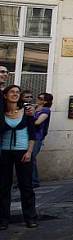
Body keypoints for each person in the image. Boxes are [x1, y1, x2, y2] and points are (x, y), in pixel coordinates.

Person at [0, 85, 38, 229]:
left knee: (26, 186)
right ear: (5, 95)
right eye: (12, 92)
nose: (15, 94)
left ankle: (30, 217)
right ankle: (3, 219)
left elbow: (32, 135)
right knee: (4, 186)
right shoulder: (1, 113)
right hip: (5, 152)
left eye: (17, 92)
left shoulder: (27, 112)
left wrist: (29, 152)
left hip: (23, 151)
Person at [30, 92, 53, 187]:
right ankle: (26, 180)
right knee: (28, 159)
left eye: (40, 98)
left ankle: (34, 181)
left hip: (37, 137)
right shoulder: (35, 108)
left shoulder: (45, 110)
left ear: (45, 101)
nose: (37, 99)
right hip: (29, 136)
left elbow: (38, 122)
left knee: (31, 158)